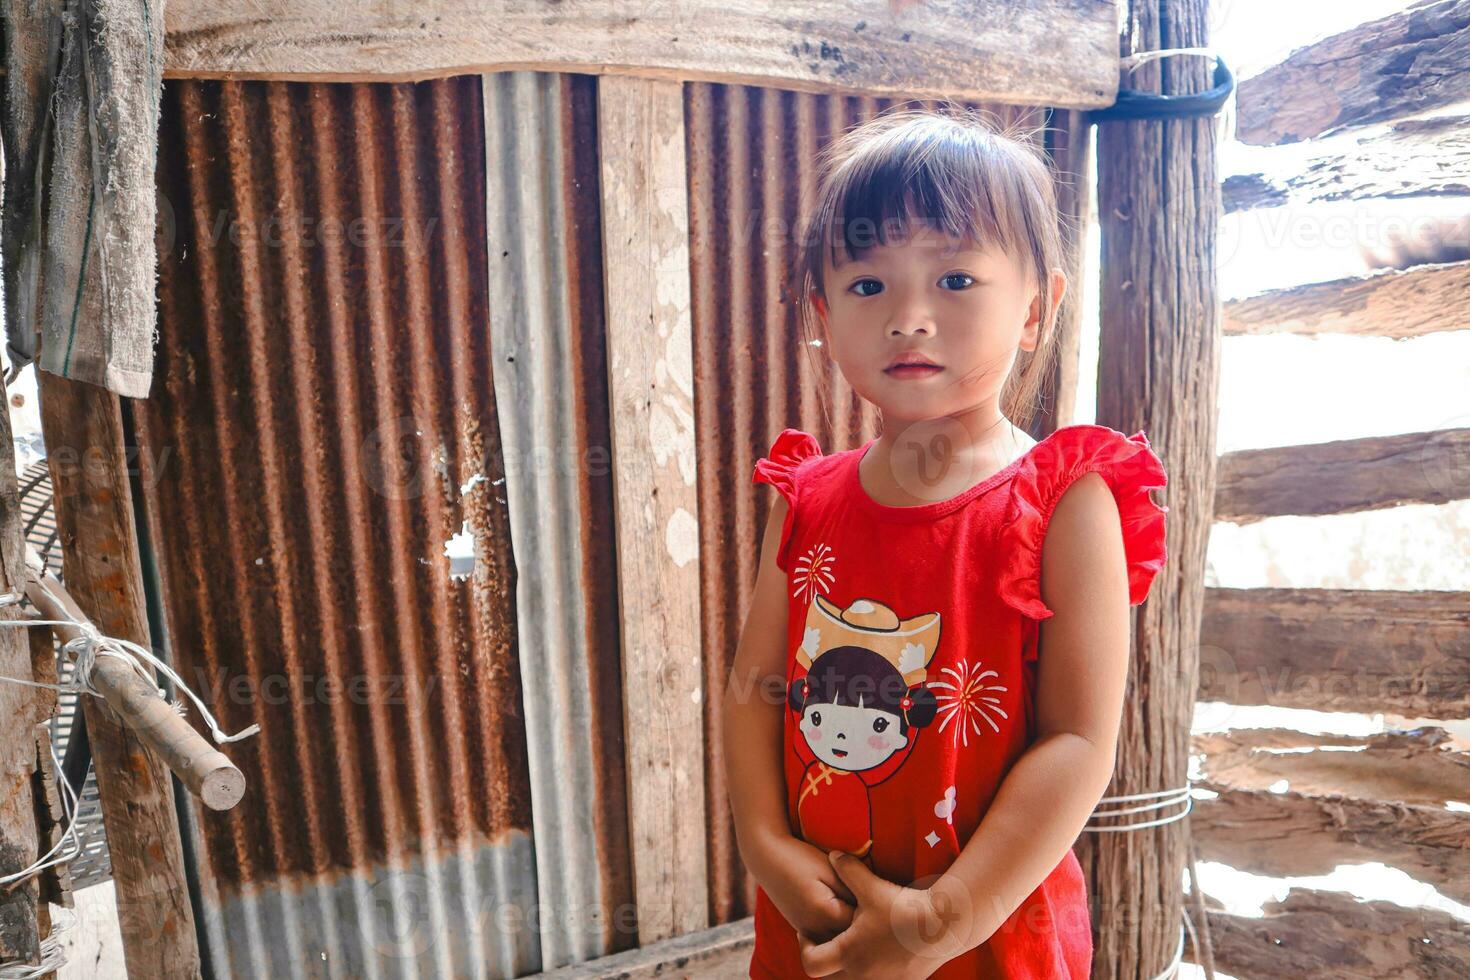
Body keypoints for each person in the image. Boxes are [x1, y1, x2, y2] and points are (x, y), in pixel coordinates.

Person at [722, 106, 1170, 979]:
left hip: (987, 935)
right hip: (817, 921)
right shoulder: (805, 499)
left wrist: (938, 922)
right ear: (823, 312)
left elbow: (1078, 741)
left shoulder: (1067, 501)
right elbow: (755, 686)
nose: (910, 317)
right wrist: (766, 843)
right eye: (867, 285)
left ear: (1037, 309)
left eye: (957, 280)